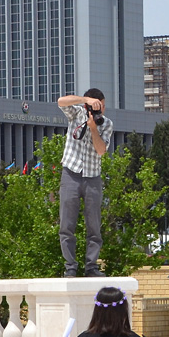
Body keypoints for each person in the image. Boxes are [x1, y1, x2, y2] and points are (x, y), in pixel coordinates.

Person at [56, 89, 114, 277]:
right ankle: (70, 266)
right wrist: (84, 100)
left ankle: (91, 266)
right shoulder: (77, 113)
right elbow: (60, 101)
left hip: (93, 177)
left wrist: (93, 128)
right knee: (66, 225)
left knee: (94, 226)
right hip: (71, 173)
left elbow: (101, 151)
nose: (101, 110)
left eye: (103, 106)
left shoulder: (106, 124)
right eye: (97, 106)